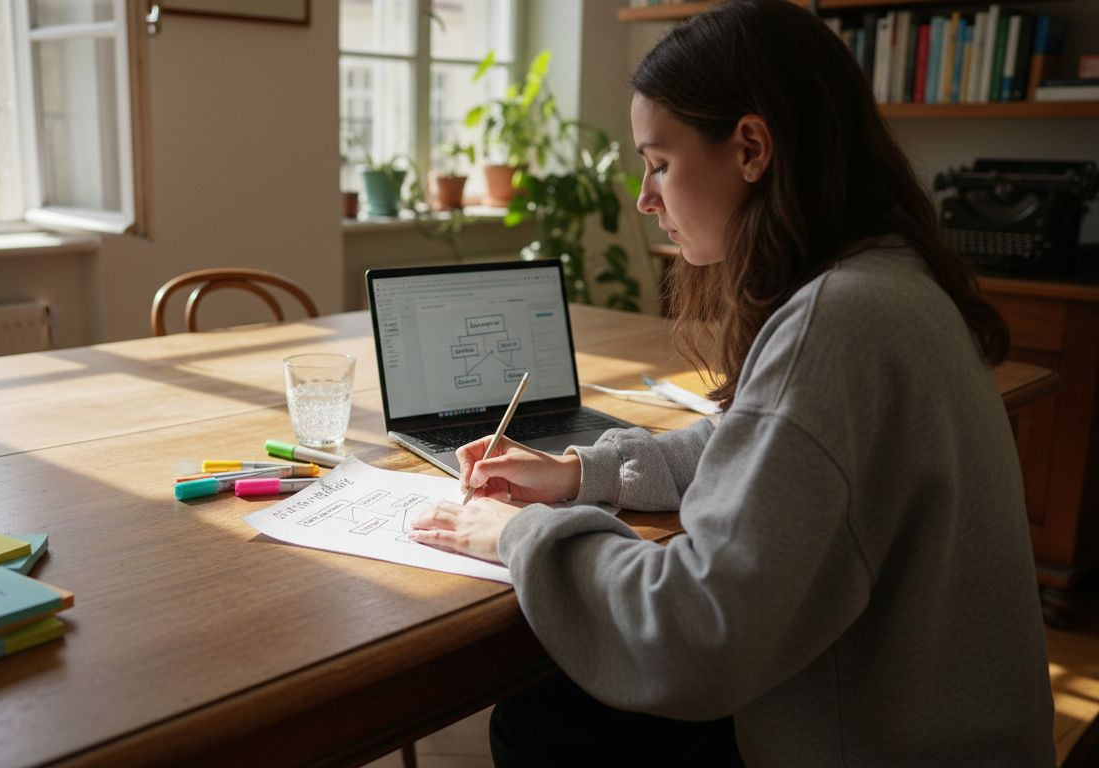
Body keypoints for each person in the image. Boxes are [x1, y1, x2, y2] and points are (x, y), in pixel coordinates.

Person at [406, 0, 1056, 765]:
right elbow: (758, 441)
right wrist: (581, 473)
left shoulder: (837, 321)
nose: (645, 197)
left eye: (659, 162)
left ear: (750, 147)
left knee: (540, 713)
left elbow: (693, 633)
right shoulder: (891, 279)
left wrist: (513, 533)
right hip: (942, 732)